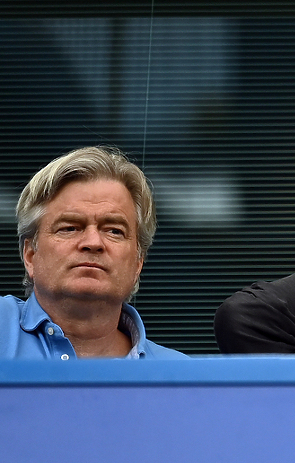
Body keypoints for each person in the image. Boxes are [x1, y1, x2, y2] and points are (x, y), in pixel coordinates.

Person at [0, 146, 187, 359]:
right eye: (70, 228)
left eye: (114, 231)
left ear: (138, 262)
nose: (93, 242)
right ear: (30, 255)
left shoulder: (183, 378)